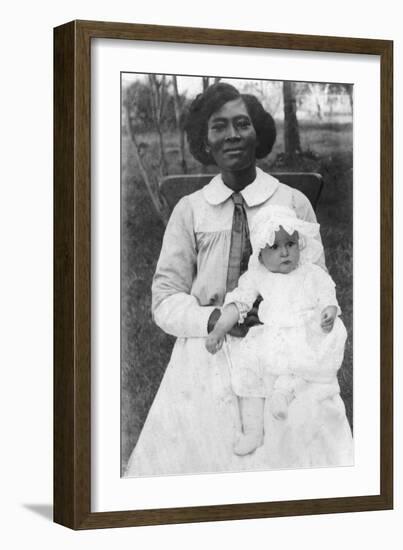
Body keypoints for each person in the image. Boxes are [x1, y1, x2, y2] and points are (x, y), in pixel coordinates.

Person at [125, 82, 353, 477]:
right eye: (219, 126)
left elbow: (317, 281)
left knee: (302, 453)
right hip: (207, 349)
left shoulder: (291, 202)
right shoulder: (190, 210)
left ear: (257, 133)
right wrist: (213, 320)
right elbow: (164, 299)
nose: (232, 134)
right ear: (204, 140)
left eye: (242, 123)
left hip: (283, 349)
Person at [205, 205, 348, 456]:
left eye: (291, 244)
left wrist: (329, 310)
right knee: (249, 368)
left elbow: (327, 292)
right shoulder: (258, 276)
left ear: (299, 244)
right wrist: (218, 330)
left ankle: (284, 392)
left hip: (303, 331)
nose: (285, 252)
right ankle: (253, 430)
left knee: (297, 363)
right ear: (260, 254)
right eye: (274, 246)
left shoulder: (310, 272)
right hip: (271, 333)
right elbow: (238, 303)